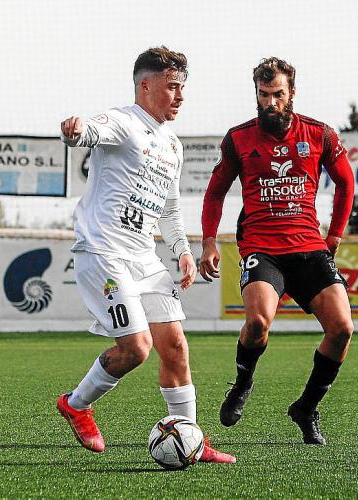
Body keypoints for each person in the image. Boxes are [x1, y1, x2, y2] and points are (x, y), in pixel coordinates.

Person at [56, 46, 234, 463]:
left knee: (175, 346)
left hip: (144, 258)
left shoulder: (172, 144)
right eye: (172, 87)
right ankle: (76, 404)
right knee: (136, 348)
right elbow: (88, 132)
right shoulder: (123, 122)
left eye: (182, 88)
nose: (180, 96)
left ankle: (191, 439)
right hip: (104, 251)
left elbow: (169, 210)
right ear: (146, 85)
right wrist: (74, 132)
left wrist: (183, 252)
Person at [199, 57, 355, 445]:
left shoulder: (319, 134)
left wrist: (335, 234)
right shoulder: (238, 138)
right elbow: (215, 193)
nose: (270, 102)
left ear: (292, 93)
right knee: (257, 323)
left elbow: (346, 182)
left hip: (309, 248)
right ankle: (242, 382)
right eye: (263, 94)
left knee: (342, 329)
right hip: (261, 248)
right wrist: (208, 241)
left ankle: (306, 407)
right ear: (256, 93)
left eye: (278, 95)